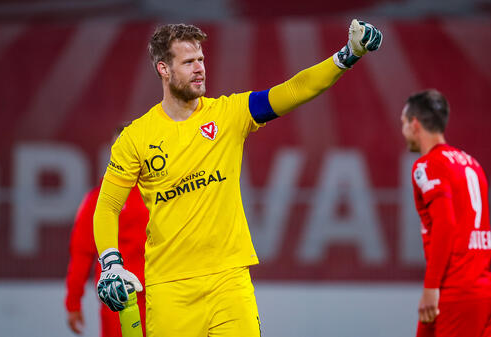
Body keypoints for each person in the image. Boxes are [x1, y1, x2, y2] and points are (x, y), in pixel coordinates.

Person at [93, 20, 382, 336]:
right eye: (188, 62)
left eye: (201, 59)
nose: (199, 68)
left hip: (229, 282)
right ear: (164, 69)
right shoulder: (135, 137)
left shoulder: (230, 114)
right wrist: (111, 264)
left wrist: (348, 54)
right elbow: (107, 206)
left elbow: (297, 88)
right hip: (170, 287)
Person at [401, 89, 491, 337]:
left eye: (403, 124)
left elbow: (445, 224)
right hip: (485, 292)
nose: (402, 131)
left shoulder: (427, 166)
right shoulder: (473, 164)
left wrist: (431, 287)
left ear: (415, 125)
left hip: (455, 294)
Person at [65, 126, 149, 337]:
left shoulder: (162, 194)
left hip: (164, 295)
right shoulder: (97, 200)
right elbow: (82, 252)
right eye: (119, 148)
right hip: (119, 297)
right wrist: (73, 302)